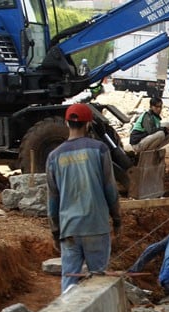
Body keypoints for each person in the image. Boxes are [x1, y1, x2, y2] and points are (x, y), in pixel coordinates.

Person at [46, 104, 121, 293]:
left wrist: (55, 230)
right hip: (96, 226)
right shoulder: (100, 149)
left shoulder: (54, 156)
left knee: (69, 281)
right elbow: (110, 189)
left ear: (66, 122)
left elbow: (53, 199)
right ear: (88, 124)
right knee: (97, 282)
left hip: (69, 228)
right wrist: (117, 219)